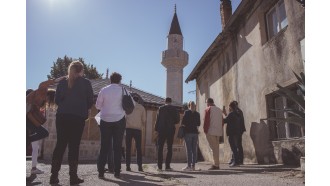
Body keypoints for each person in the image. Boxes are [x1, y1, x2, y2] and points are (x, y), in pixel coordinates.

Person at [49, 61, 94, 185]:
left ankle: (53, 176)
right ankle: (73, 177)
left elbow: (57, 100)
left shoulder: (62, 82)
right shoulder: (86, 83)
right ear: (81, 70)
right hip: (78, 117)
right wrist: (83, 107)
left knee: (60, 145)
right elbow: (90, 101)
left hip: (62, 116)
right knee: (74, 147)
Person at [96, 72, 131, 179]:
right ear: (120, 80)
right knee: (117, 147)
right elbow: (130, 105)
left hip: (105, 120)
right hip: (119, 120)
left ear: (110, 80)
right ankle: (117, 172)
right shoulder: (124, 90)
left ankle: (101, 172)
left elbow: (98, 105)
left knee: (104, 147)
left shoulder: (103, 90)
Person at [154, 97, 180, 171]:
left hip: (161, 130)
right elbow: (177, 120)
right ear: (171, 102)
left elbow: (157, 119)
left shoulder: (160, 108)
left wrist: (156, 129)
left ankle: (159, 167)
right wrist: (172, 122)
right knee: (169, 148)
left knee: (160, 148)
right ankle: (167, 166)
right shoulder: (174, 109)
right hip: (170, 130)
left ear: (165, 101)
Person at [125, 96, 146, 172]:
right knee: (138, 148)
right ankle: (140, 166)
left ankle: (128, 166)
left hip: (128, 129)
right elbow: (144, 120)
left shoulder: (128, 107)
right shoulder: (142, 108)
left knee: (128, 148)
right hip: (138, 130)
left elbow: (124, 117)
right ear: (138, 100)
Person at [203, 98, 223, 170]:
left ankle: (216, 164)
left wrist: (205, 130)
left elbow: (206, 121)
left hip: (210, 131)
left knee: (213, 148)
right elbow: (222, 121)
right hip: (218, 131)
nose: (206, 104)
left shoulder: (208, 109)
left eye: (206, 103)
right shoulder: (219, 110)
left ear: (208, 102)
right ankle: (216, 164)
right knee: (216, 148)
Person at [224, 101, 246, 166]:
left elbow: (225, 120)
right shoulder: (238, 112)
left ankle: (236, 161)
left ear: (231, 106)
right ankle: (238, 160)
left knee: (234, 147)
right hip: (238, 132)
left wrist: (224, 114)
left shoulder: (232, 113)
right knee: (238, 146)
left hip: (233, 132)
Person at [181, 101, 200, 171]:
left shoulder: (186, 112)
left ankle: (189, 166)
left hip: (188, 133)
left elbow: (183, 122)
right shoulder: (197, 114)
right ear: (195, 105)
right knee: (194, 150)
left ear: (189, 106)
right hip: (195, 133)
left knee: (189, 150)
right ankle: (193, 166)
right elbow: (199, 124)